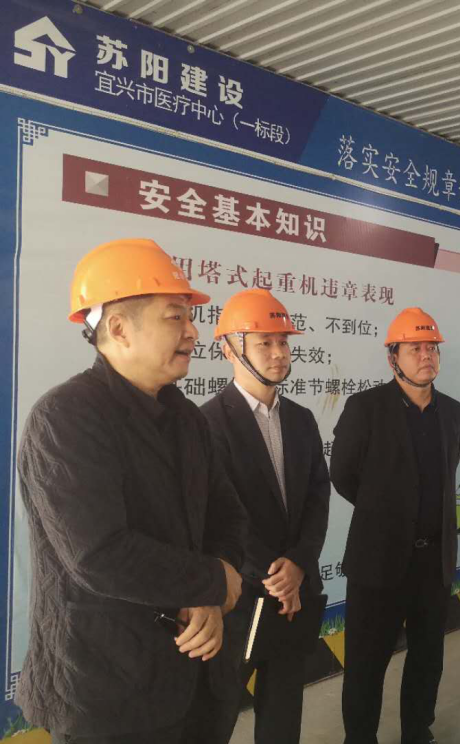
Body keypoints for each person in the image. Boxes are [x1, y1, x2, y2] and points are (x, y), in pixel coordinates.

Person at [16, 238, 247, 744]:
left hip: (198, 675)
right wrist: (210, 581)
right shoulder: (66, 418)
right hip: (109, 692)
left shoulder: (188, 418)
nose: (193, 332)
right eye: (175, 317)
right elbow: (98, 553)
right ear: (119, 328)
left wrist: (213, 593)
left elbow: (227, 516)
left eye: (190, 317)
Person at [192, 289, 331, 744]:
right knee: (215, 715)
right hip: (238, 597)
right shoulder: (207, 423)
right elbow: (219, 513)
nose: (278, 353)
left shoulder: (302, 419)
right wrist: (275, 573)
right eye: (264, 343)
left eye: (283, 342)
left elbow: (318, 496)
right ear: (229, 350)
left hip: (295, 593)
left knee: (284, 709)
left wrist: (300, 563)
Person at [330, 307, 460, 744]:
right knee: (366, 663)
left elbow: (445, 476)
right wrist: (387, 513)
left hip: (433, 561)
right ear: (393, 358)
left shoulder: (453, 413)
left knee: (427, 657)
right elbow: (343, 474)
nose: (426, 356)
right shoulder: (366, 408)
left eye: (432, 348)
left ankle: (417, 731)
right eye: (415, 348)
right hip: (378, 560)